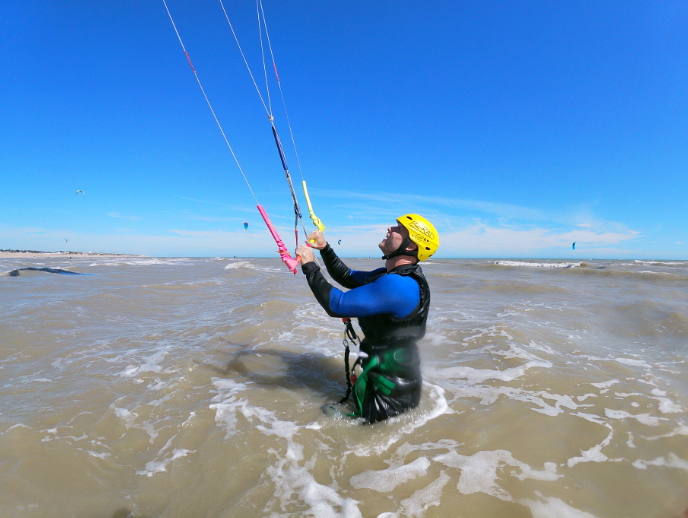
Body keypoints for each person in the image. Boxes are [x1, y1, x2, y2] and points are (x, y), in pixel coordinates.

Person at [296, 214, 439, 424]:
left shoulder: (399, 286)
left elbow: (337, 304)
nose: (390, 228)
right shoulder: (391, 276)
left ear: (410, 246)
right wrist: (324, 248)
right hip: (392, 380)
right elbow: (346, 276)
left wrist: (309, 266)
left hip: (389, 396)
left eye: (399, 228)